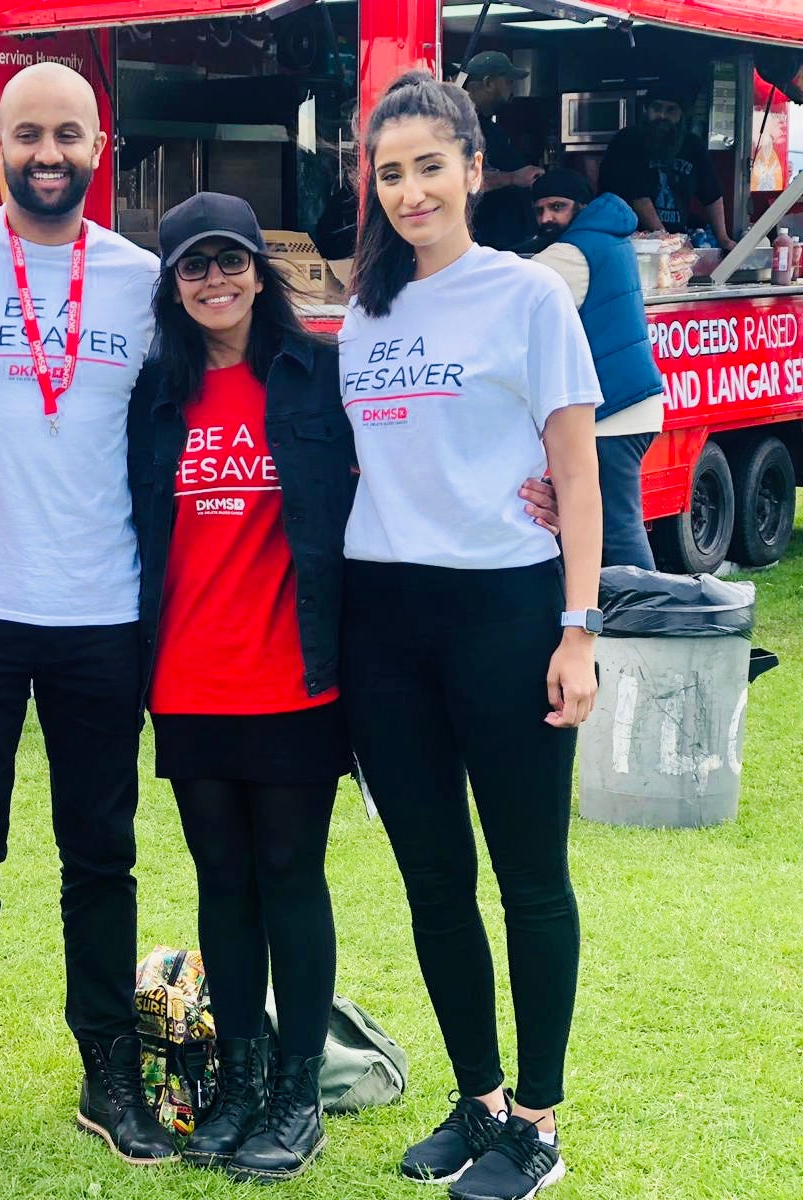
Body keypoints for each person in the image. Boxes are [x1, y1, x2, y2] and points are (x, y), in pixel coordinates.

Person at [0, 61, 177, 1176]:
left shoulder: (143, 280)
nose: (45, 153)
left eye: (67, 134)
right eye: (26, 135)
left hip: (101, 610)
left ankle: (109, 1076)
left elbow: (212, 407)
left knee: (99, 856)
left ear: (99, 146)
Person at [343, 72, 603, 1200]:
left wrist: (576, 625)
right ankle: (479, 1098)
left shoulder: (528, 297)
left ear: (472, 168)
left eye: (428, 166)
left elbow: (577, 467)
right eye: (389, 172)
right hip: (383, 622)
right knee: (434, 882)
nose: (410, 191)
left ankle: (536, 1126)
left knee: (528, 877)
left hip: (503, 611)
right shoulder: (364, 311)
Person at [126, 192, 351, 1182]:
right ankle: (241, 1080)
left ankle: (298, 1091)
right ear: (172, 287)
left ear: (262, 270)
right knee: (223, 883)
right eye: (193, 267)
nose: (214, 281)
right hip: (186, 679)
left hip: (294, 678)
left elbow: (407, 463)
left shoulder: (316, 377)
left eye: (230, 261)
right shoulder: (153, 397)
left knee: (289, 878)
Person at [531, 168, 665, 570]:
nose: (546, 219)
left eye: (557, 207)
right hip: (634, 403)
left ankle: (648, 614)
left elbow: (514, 300)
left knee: (619, 527)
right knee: (599, 521)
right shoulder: (612, 240)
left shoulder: (571, 252)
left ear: (582, 207)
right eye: (539, 210)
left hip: (610, 412)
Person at [599, 83, 737, 251]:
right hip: (628, 242)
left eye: (671, 110)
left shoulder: (693, 146)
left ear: (681, 115)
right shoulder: (628, 141)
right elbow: (638, 196)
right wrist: (667, 242)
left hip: (672, 239)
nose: (662, 116)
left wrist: (723, 239)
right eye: (656, 108)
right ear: (646, 109)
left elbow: (712, 195)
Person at [459, 51, 541, 251]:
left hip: (509, 238)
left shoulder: (488, 126)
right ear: (488, 83)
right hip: (488, 238)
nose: (512, 88)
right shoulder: (461, 126)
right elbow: (463, 179)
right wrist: (513, 178)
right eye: (508, 81)